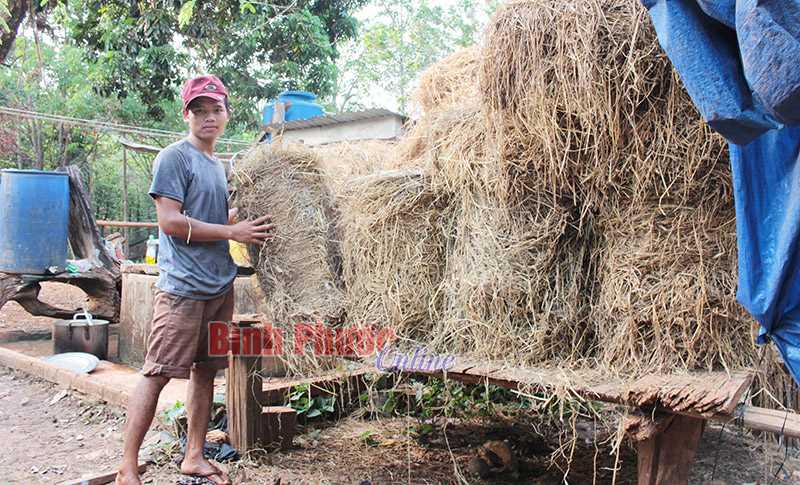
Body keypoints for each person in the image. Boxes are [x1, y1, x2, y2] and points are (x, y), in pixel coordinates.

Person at [116, 75, 273, 485]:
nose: (208, 117)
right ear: (186, 114)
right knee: (157, 372)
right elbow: (169, 222)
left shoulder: (217, 166)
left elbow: (216, 220)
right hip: (182, 289)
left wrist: (241, 221)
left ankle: (194, 456)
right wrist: (230, 232)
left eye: (215, 109)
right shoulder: (175, 157)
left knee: (206, 372)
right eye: (199, 110)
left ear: (226, 114)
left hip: (219, 287)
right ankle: (127, 466)